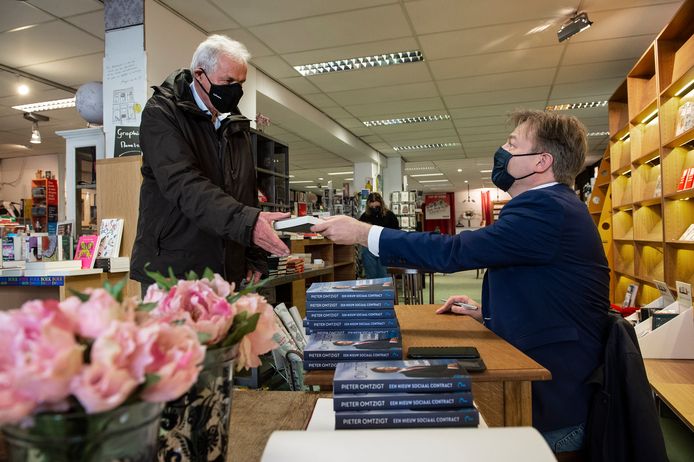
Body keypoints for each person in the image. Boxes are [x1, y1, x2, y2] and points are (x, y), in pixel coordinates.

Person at [312, 109, 610, 455]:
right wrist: (489, 313)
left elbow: (454, 252)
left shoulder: (546, 209)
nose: (502, 150)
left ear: (542, 161)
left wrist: (364, 233)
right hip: (556, 385)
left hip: (553, 408)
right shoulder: (551, 206)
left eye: (512, 144)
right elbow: (546, 289)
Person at [131, 35, 289, 295]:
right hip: (174, 272)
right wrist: (248, 224)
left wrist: (253, 255)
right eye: (228, 82)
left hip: (227, 271)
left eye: (241, 83)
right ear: (199, 75)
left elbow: (246, 192)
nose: (235, 90)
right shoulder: (161, 113)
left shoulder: (236, 124)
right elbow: (184, 184)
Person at [358, 192, 399, 278]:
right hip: (368, 248)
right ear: (368, 205)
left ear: (381, 203)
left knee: (384, 275)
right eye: (372, 207)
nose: (374, 208)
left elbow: (396, 232)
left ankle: (384, 291)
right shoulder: (365, 216)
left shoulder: (389, 215)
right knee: (371, 275)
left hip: (385, 247)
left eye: (376, 206)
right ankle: (373, 291)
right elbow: (360, 232)